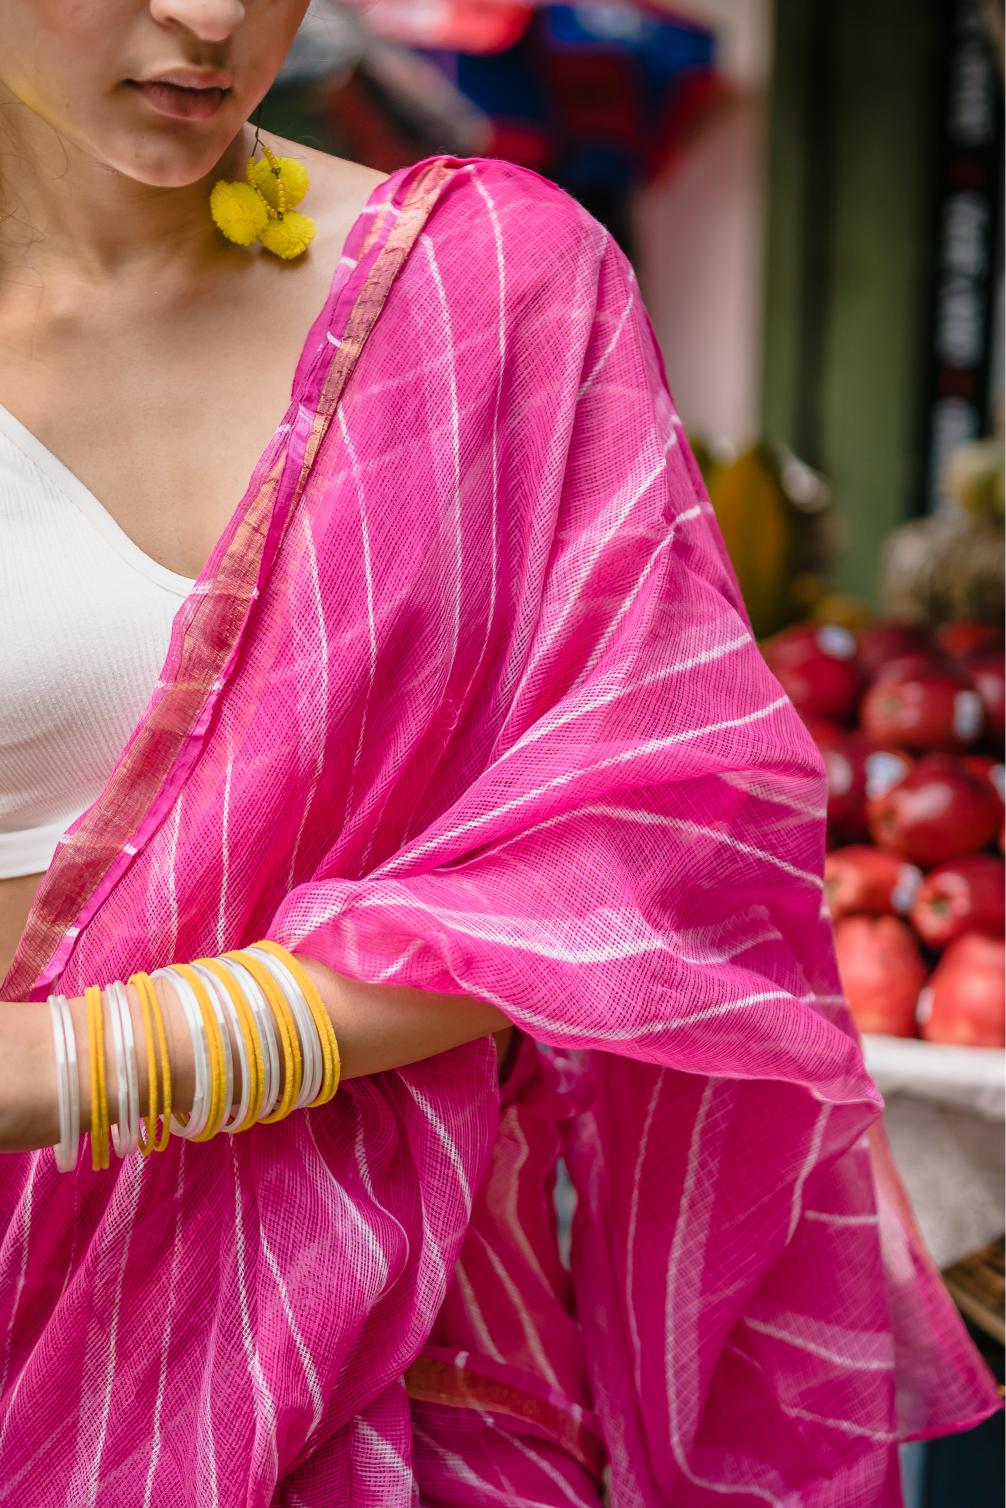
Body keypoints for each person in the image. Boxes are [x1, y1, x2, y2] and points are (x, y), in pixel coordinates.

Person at [0, 3, 999, 1505]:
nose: (210, 18)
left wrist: (81, 1061)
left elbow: (662, 830)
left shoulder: (486, 293)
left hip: (381, 1336)